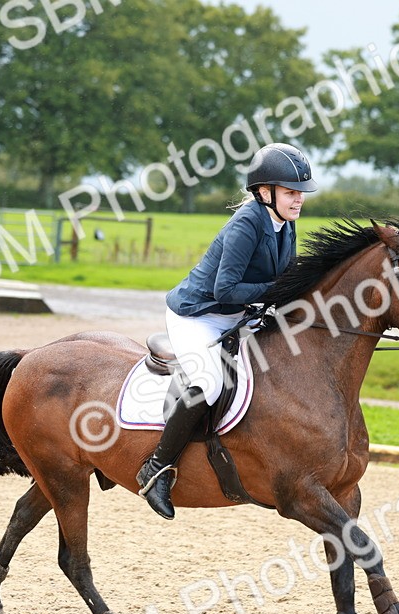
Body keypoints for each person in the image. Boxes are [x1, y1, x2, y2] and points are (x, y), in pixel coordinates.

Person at [135, 142, 318, 519]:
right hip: (199, 314)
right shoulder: (247, 224)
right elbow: (225, 289)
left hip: (238, 313)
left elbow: (282, 276)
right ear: (265, 192)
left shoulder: (285, 223)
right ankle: (156, 469)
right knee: (209, 382)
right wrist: (275, 294)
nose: (298, 199)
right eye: (291, 192)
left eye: (300, 192)